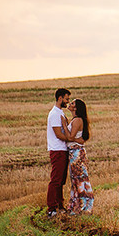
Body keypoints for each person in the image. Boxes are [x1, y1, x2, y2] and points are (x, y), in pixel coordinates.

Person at [64, 98, 94, 214]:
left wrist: (64, 125)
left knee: (79, 179)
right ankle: (78, 206)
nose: (69, 104)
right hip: (75, 152)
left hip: (76, 153)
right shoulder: (75, 120)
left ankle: (84, 206)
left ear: (75, 108)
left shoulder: (77, 120)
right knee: (77, 179)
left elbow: (70, 137)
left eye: (72, 103)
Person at [45, 88, 71, 216]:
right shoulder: (55, 114)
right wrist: (71, 139)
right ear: (60, 98)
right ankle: (51, 209)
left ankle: (60, 205)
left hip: (62, 149)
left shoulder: (59, 112)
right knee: (55, 180)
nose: (68, 101)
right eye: (66, 99)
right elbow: (58, 134)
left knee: (61, 180)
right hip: (57, 150)